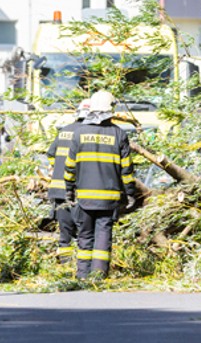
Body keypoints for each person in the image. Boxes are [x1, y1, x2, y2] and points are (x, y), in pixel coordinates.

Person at [65, 90, 136, 279]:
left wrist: (69, 190)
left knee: (85, 235)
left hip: (84, 198)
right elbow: (127, 170)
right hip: (108, 198)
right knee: (103, 235)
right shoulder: (119, 134)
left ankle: (82, 275)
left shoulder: (79, 134)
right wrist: (130, 193)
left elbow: (70, 167)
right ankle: (98, 274)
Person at [45, 99, 90, 263]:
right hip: (77, 191)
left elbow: (51, 154)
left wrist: (56, 168)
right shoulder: (88, 134)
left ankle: (65, 265)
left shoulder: (64, 130)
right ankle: (83, 267)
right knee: (83, 233)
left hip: (58, 191)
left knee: (65, 235)